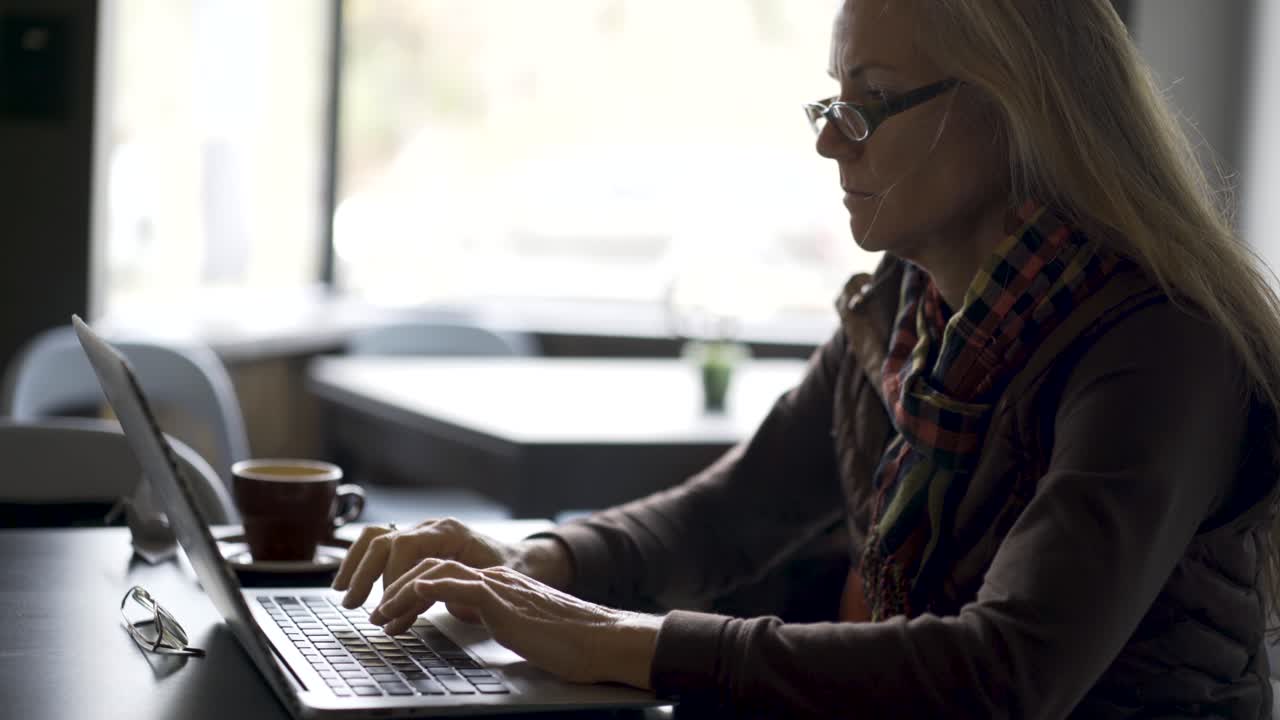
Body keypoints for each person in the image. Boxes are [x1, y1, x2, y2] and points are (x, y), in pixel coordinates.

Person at [332, 0, 1280, 716]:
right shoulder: (908, 307)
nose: (829, 141)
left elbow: (1008, 673)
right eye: (831, 102)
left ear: (1010, 109)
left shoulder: (1160, 345)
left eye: (869, 105)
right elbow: (732, 513)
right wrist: (530, 561)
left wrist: (628, 643)